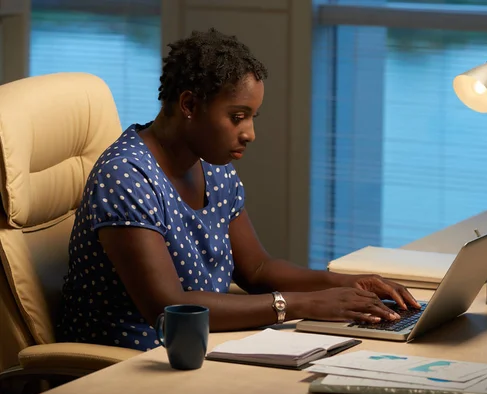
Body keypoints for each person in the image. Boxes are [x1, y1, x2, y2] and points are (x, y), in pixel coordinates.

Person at [57, 28, 419, 352]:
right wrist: (301, 305)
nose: (249, 133)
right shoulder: (126, 176)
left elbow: (257, 269)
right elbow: (169, 308)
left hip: (207, 346)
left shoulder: (215, 167)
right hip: (133, 362)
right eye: (237, 117)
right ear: (189, 104)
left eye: (251, 117)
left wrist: (347, 285)